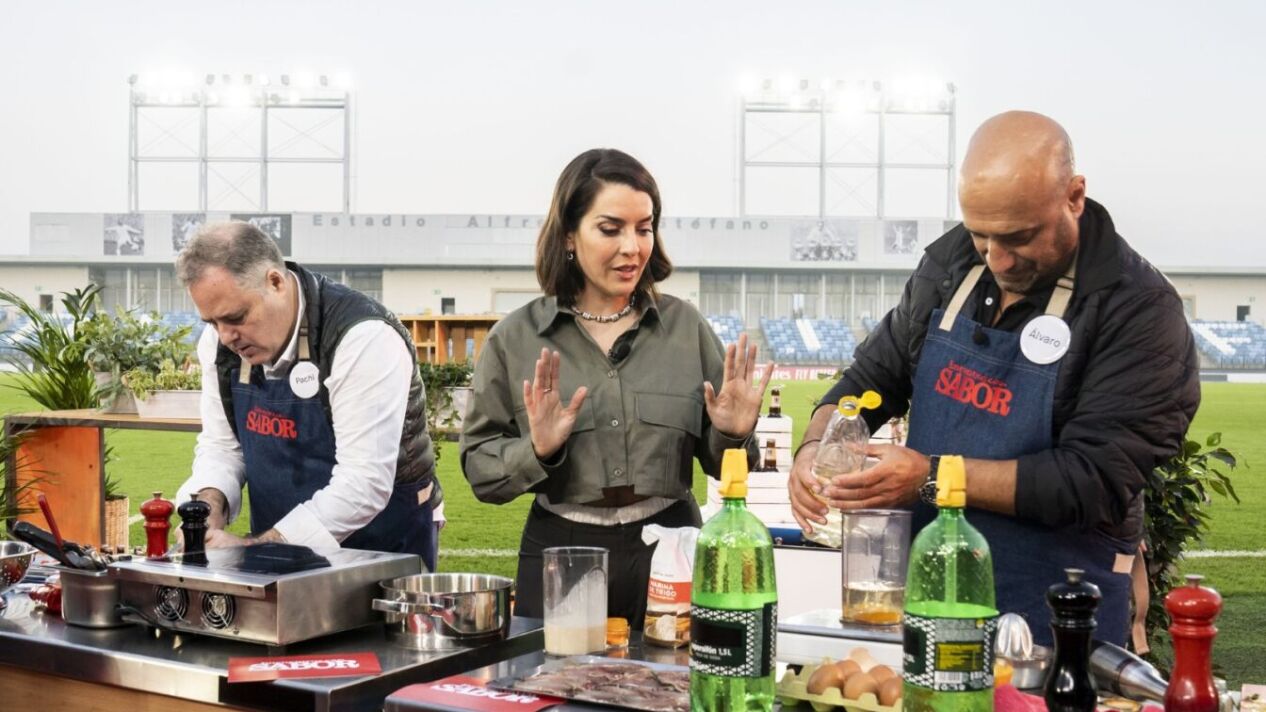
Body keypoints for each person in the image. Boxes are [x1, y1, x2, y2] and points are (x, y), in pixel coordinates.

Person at [788, 111, 1200, 646]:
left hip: (1059, 610)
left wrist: (932, 477)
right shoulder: (950, 266)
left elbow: (1092, 479)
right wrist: (815, 446)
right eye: (980, 235)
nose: (998, 260)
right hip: (931, 598)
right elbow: (869, 379)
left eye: (1018, 237)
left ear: (1074, 196)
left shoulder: (1138, 309)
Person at [461, 148, 771, 627]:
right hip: (560, 550)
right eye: (611, 229)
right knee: (553, 675)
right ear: (569, 234)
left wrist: (732, 434)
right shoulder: (515, 338)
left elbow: (730, 466)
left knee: (679, 674)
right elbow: (481, 471)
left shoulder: (686, 328)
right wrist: (537, 451)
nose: (633, 247)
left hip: (672, 549)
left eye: (644, 228)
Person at [173, 221, 438, 570]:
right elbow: (222, 447)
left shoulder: (362, 337)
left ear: (276, 282)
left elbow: (363, 484)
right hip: (276, 547)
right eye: (211, 322)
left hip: (382, 550)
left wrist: (255, 548)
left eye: (236, 317)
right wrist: (208, 507)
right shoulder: (221, 345)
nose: (225, 336)